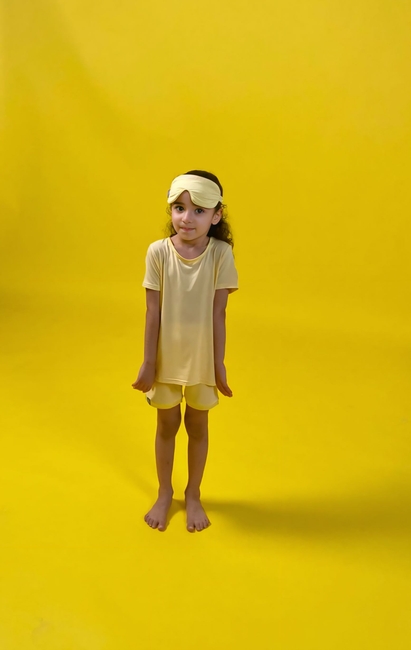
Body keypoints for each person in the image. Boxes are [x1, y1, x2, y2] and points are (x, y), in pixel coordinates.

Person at [132, 170, 239, 532]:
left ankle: (193, 494)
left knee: (197, 425)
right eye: (179, 208)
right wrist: (149, 363)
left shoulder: (221, 254)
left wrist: (218, 365)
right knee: (166, 425)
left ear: (216, 215)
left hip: (201, 360)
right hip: (166, 359)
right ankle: (165, 492)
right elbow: (152, 311)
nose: (186, 218)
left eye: (198, 211)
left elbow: (219, 312)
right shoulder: (158, 252)